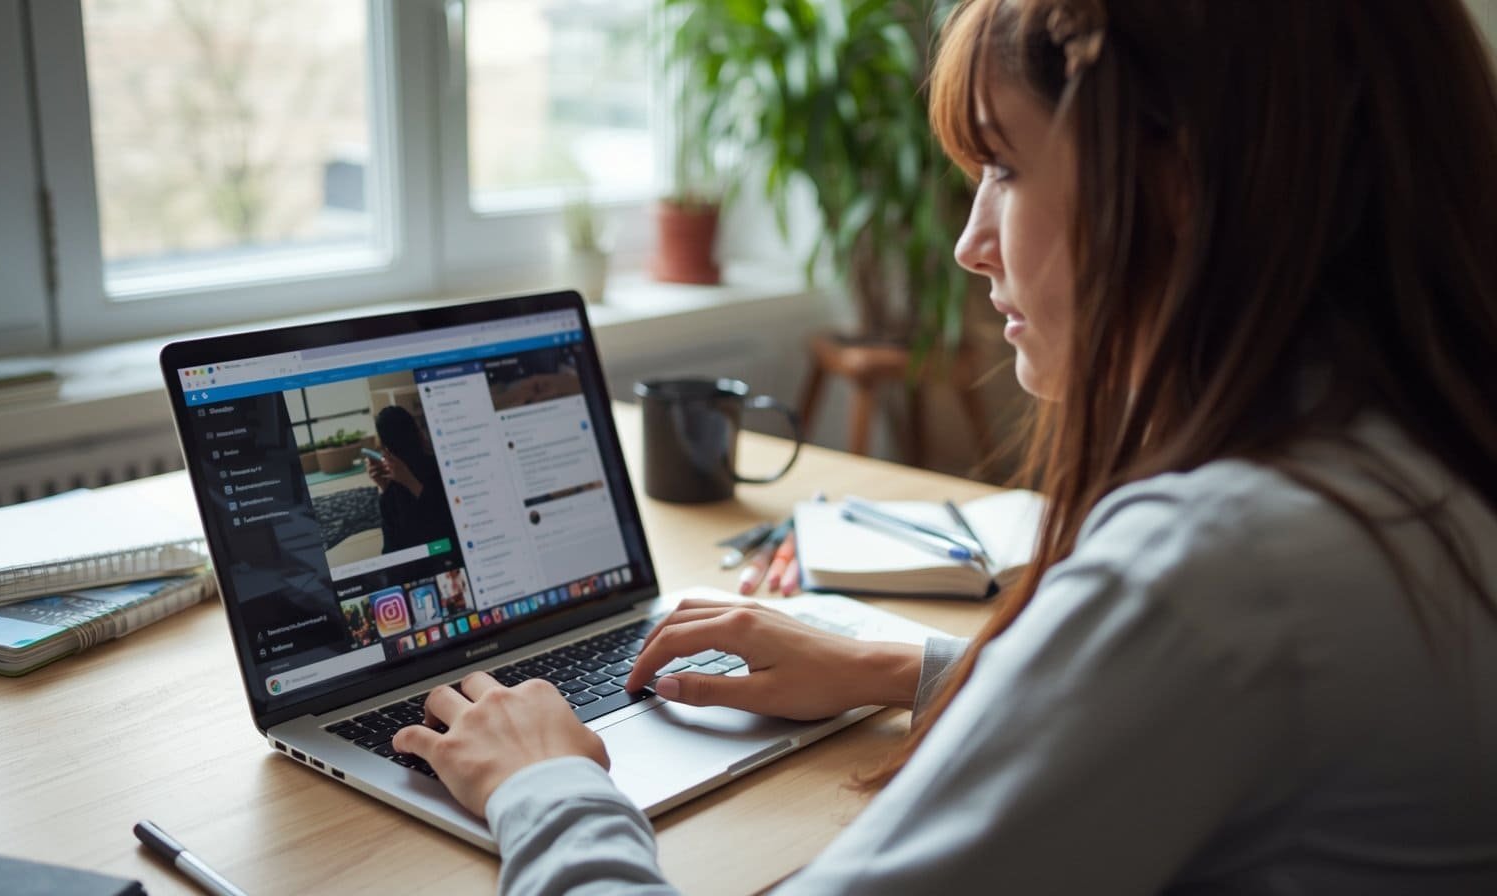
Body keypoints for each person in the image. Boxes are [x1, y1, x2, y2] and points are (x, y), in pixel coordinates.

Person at [392, 1, 1497, 892]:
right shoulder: (1411, 459)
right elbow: (1189, 722)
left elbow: (1199, 659)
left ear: (1175, 187)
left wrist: (546, 787)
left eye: (1004, 170)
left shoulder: (1222, 568)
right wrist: (905, 667)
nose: (970, 243)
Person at [366, 405, 456, 554]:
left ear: (385, 445)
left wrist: (409, 483)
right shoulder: (396, 482)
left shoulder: (435, 469)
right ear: (416, 430)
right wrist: (384, 488)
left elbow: (445, 527)